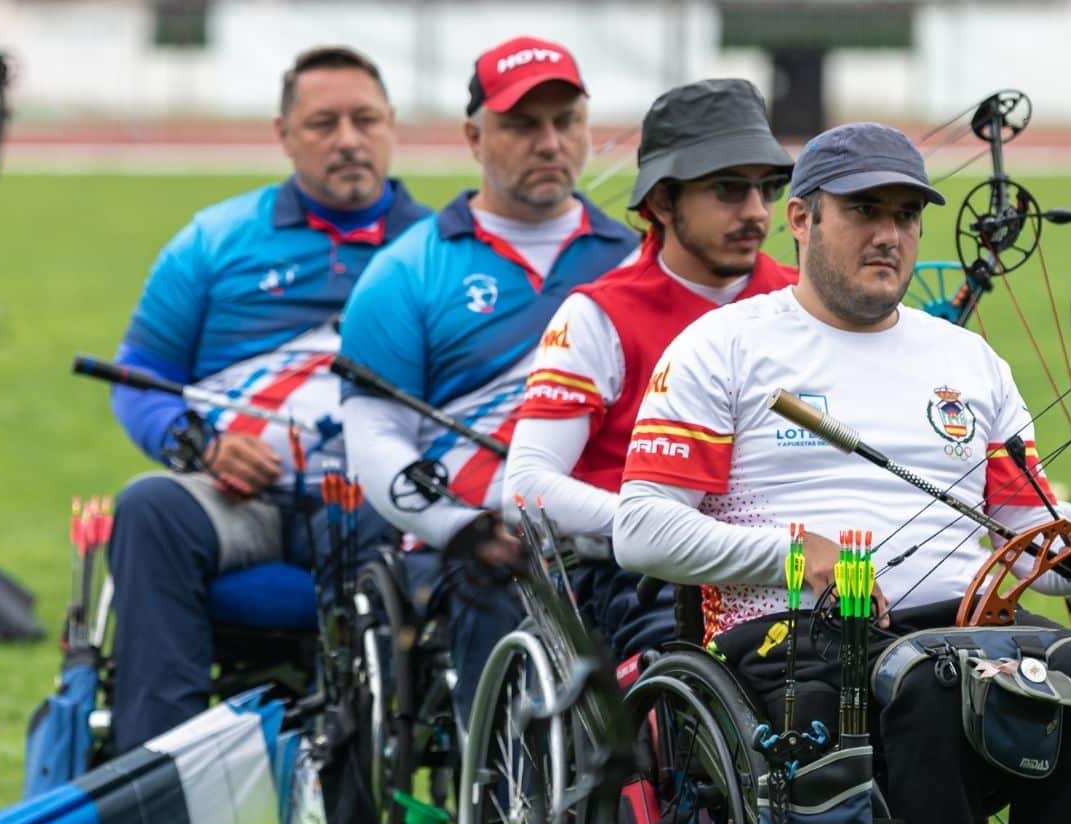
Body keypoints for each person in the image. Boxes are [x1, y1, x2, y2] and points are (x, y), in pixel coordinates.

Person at [613, 123, 1071, 824]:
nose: (890, 235)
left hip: (970, 625)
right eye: (865, 212)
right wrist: (803, 555)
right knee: (920, 681)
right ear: (800, 218)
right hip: (792, 638)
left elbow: (1024, 524)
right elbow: (640, 528)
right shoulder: (723, 348)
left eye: (907, 216)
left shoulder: (965, 361)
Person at [103, 45, 429, 752]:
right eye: (323, 123)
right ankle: (159, 778)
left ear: (392, 125)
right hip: (238, 503)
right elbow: (139, 376)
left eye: (365, 119)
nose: (348, 139)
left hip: (371, 505)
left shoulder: (437, 250)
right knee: (148, 507)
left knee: (406, 514)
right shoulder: (214, 241)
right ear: (283, 133)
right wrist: (200, 445)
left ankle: (378, 773)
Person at [339, 37, 637, 719]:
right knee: (495, 578)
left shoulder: (633, 262)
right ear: (474, 137)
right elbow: (376, 436)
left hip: (612, 539)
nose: (550, 143)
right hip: (471, 550)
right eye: (522, 125)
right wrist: (461, 525)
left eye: (567, 123)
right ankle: (513, 815)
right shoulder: (406, 270)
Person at [502, 78, 795, 662]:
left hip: (793, 571)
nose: (758, 212)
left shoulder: (801, 301)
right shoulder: (598, 316)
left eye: (768, 188)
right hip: (651, 581)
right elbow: (526, 487)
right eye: (729, 189)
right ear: (662, 202)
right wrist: (657, 528)